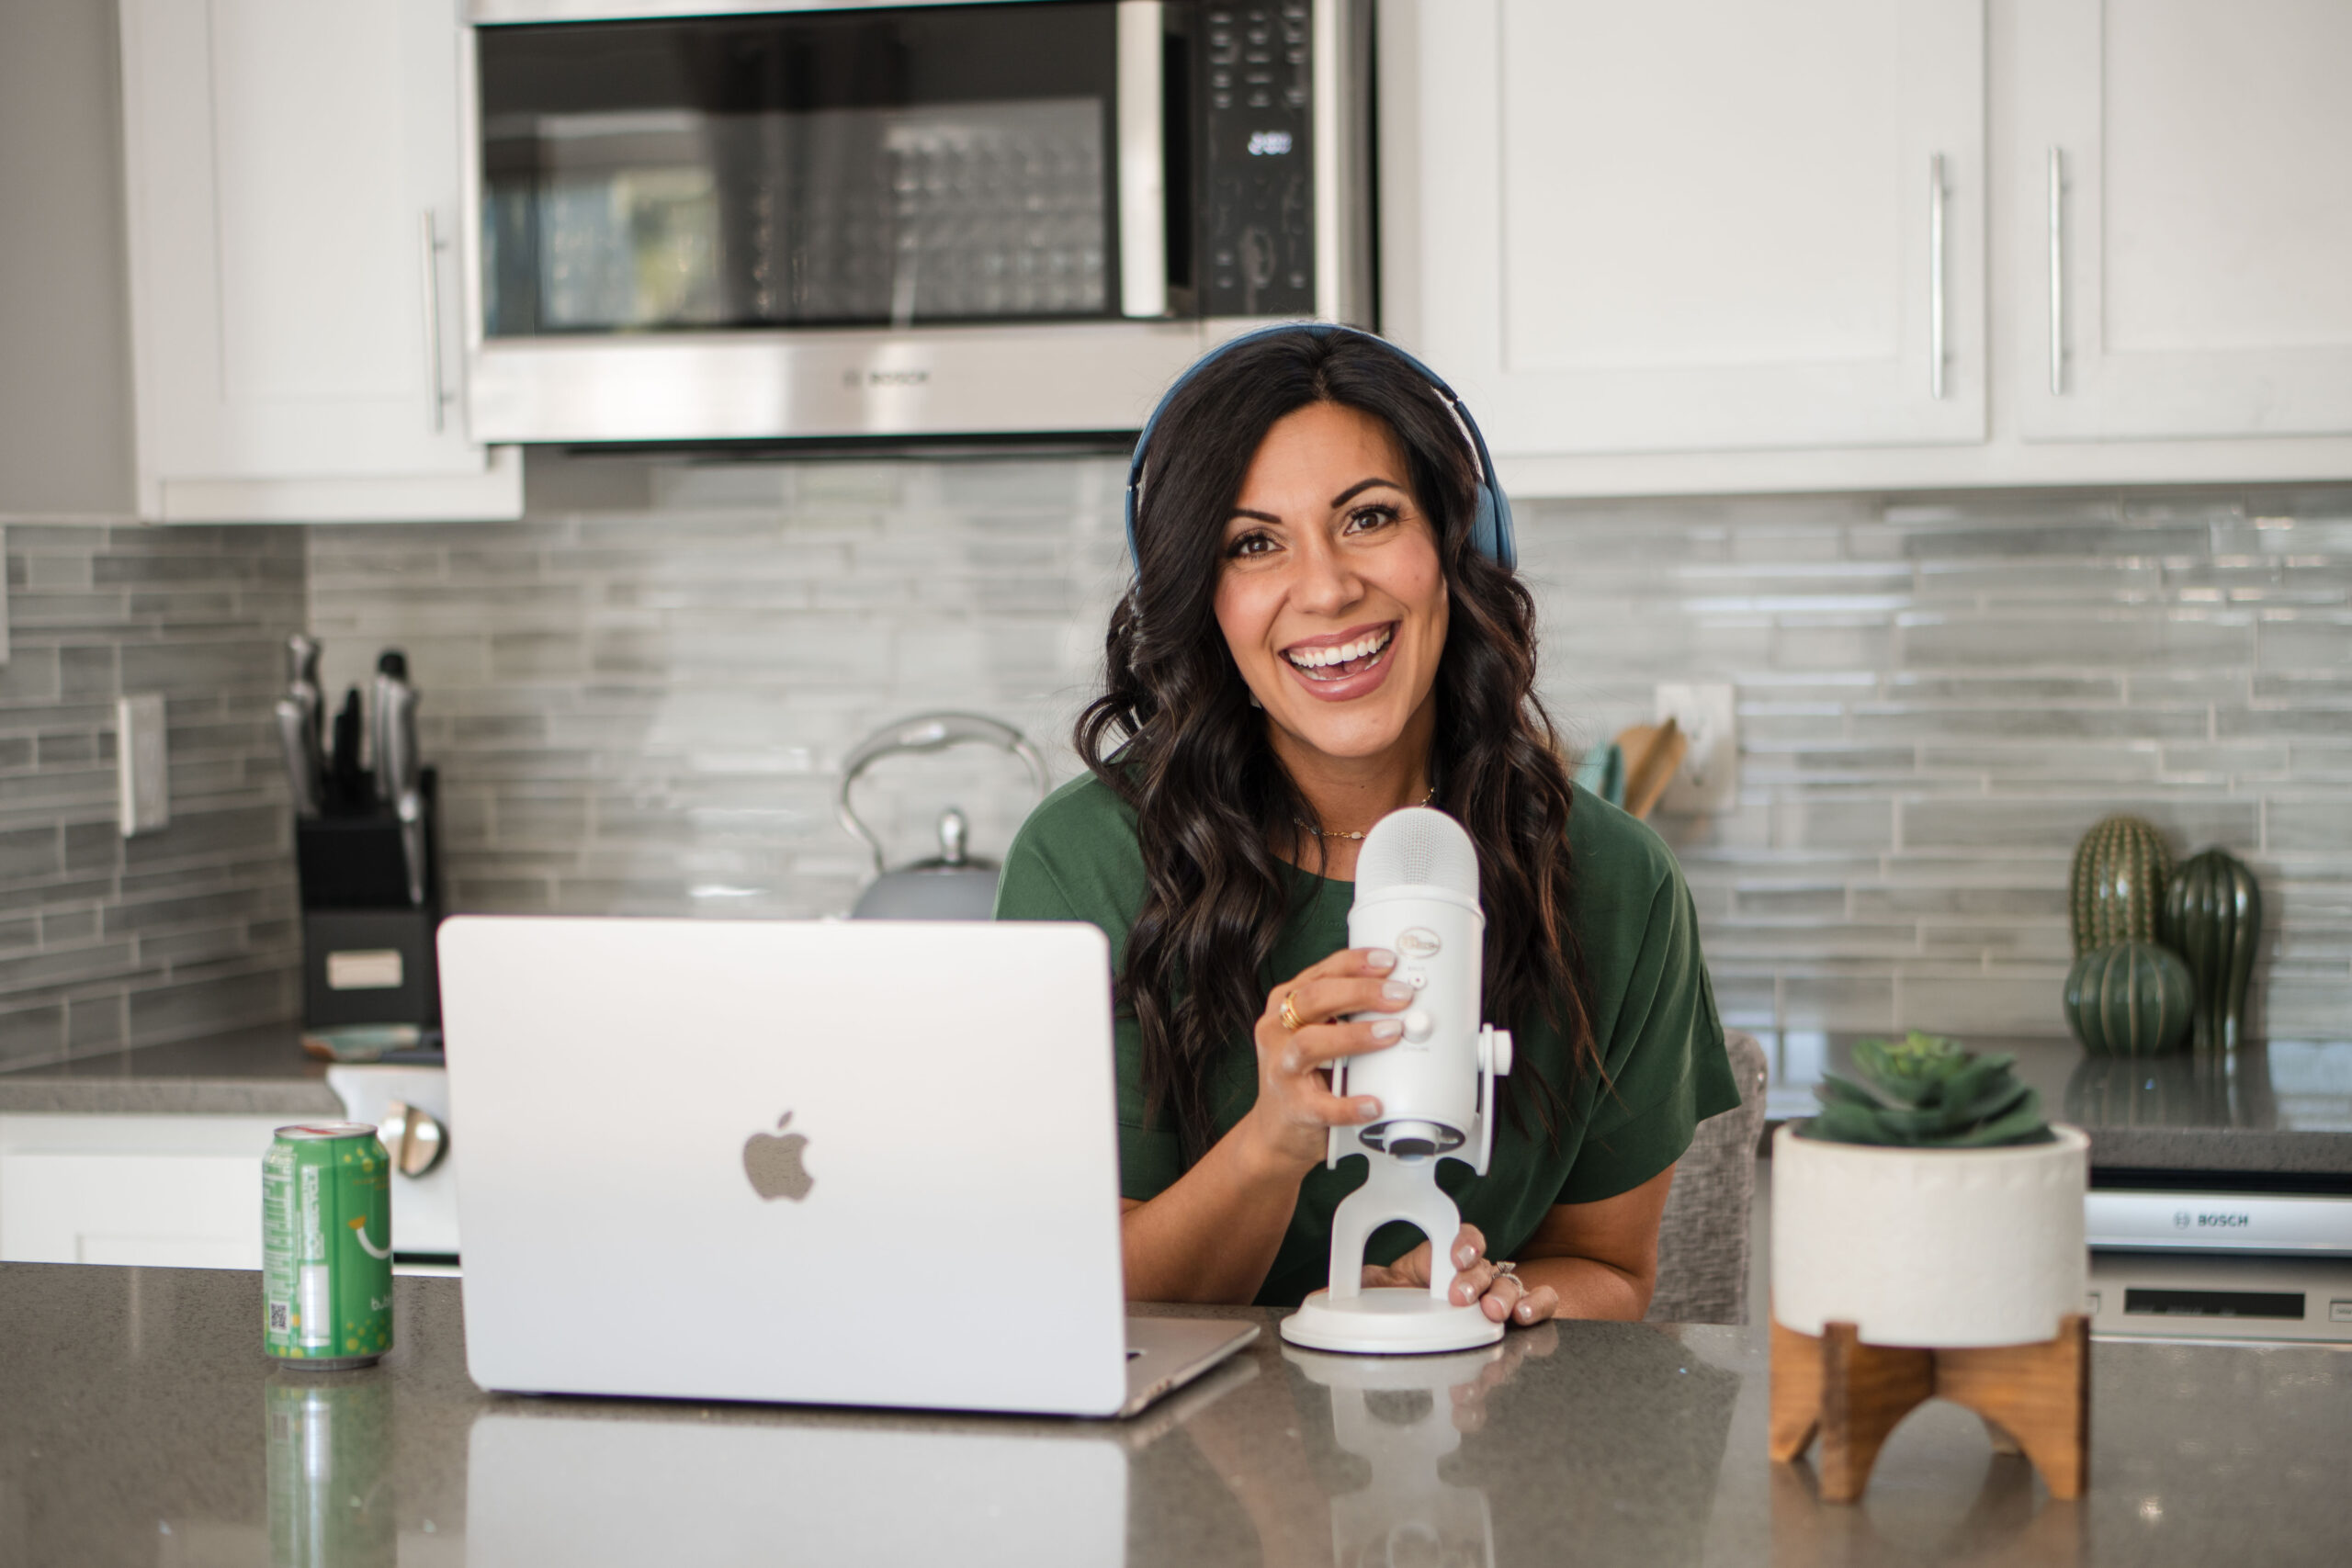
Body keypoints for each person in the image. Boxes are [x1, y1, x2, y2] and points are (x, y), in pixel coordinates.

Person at [994, 326, 1737, 1327]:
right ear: (1202, 598)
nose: (1328, 588)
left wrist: (1502, 1298)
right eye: (1252, 543)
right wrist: (1275, 1137)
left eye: (1369, 518)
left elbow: (1609, 1269)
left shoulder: (1612, 879)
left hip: (1487, 1457)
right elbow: (1078, 1298)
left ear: (1458, 544)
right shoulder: (1085, 865)